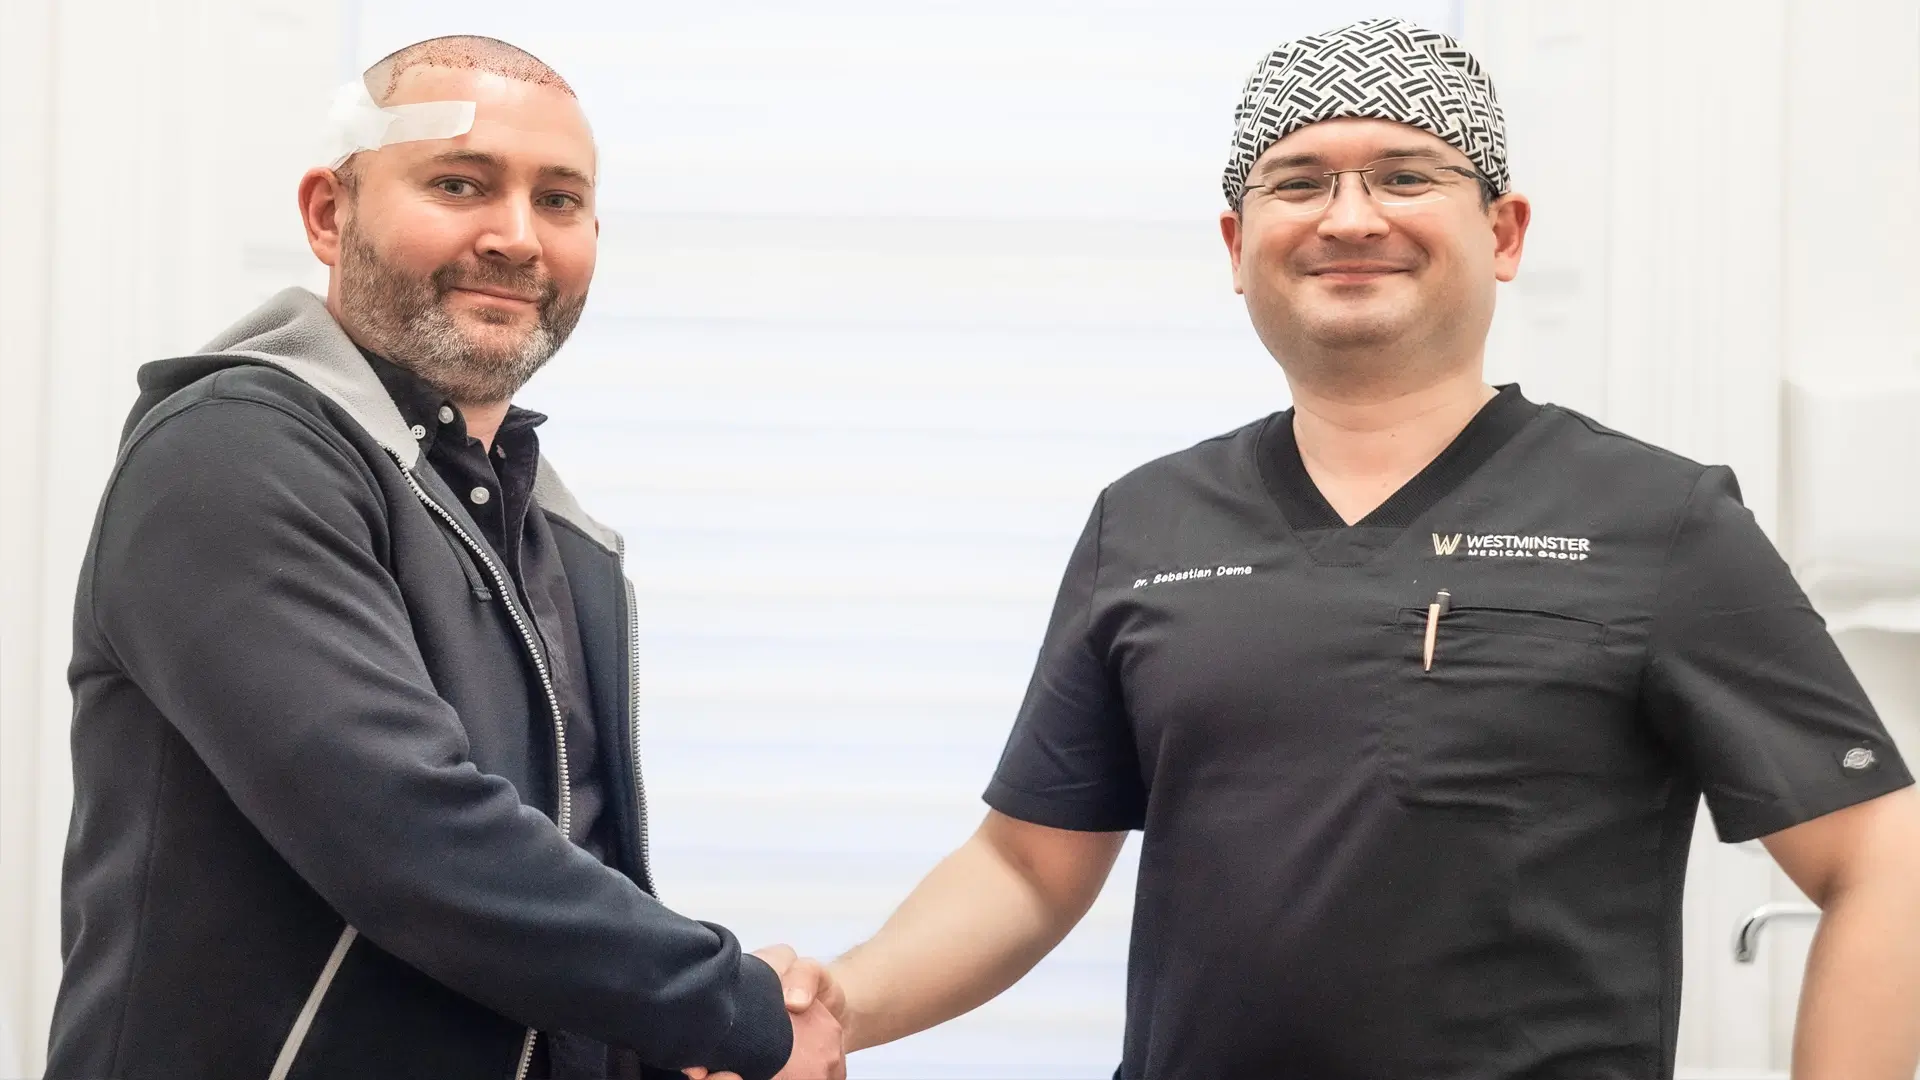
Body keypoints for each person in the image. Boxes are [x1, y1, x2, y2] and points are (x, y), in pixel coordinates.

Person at [769, 17, 1920, 1079]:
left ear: (1503, 232)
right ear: (1237, 243)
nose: (1351, 216)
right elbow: (1026, 868)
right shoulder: (1149, 520)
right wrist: (849, 1003)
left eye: (1408, 175)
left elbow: (1882, 860)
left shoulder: (1656, 520)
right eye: (1298, 182)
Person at [47, 35, 840, 1080]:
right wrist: (739, 1011)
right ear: (331, 215)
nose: (516, 237)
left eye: (559, 200)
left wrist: (663, 1052)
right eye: (462, 183)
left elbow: (562, 891)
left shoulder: (556, 539)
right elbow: (414, 842)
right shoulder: (232, 454)